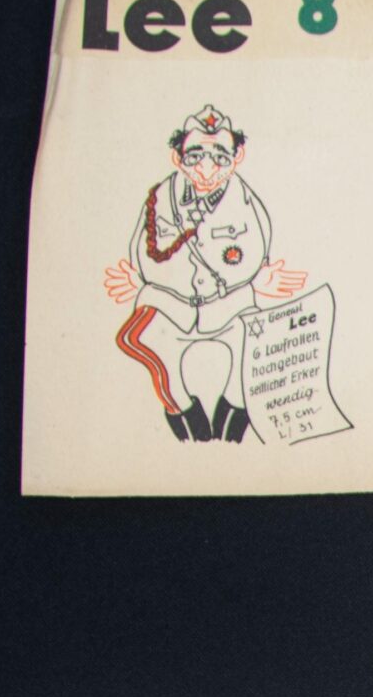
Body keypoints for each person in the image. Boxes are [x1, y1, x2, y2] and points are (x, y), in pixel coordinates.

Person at [102, 105, 307, 443]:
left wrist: (258, 281)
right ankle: (190, 432)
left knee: (253, 368)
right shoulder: (160, 198)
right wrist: (137, 276)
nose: (207, 169)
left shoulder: (244, 201)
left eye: (220, 158)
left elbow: (258, 247)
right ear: (177, 157)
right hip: (172, 304)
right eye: (195, 157)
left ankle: (228, 443)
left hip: (228, 304)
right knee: (148, 350)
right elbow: (143, 245)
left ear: (237, 158)